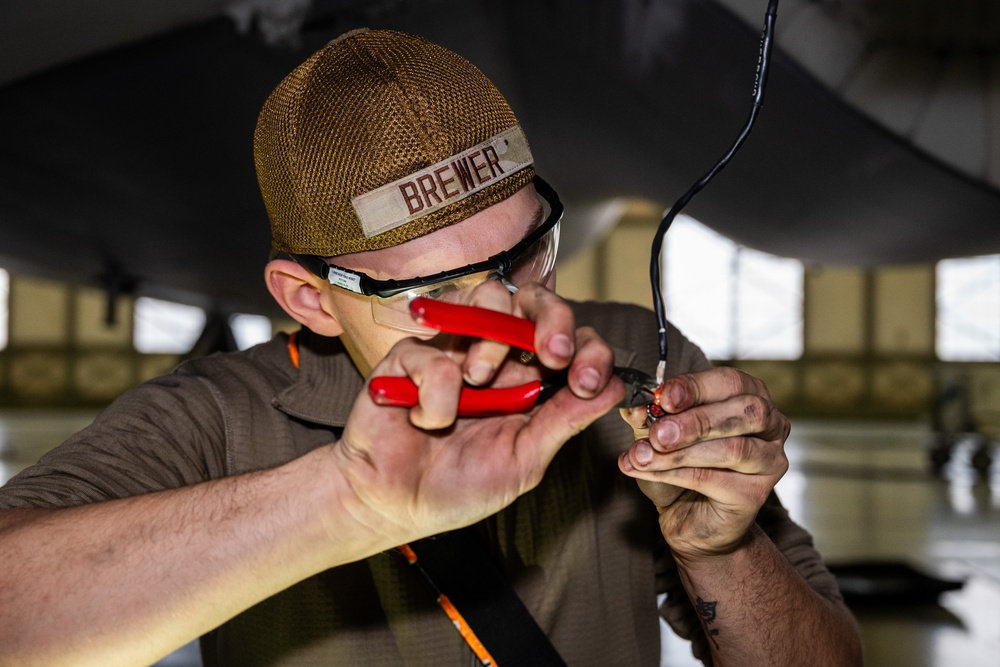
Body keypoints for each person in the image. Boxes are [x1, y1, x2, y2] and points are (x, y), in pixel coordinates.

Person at [0, 28, 861, 666]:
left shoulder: (631, 360)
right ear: (312, 300)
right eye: (431, 292)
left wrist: (721, 546)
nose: (511, 314)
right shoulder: (216, 422)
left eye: (525, 253)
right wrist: (346, 502)